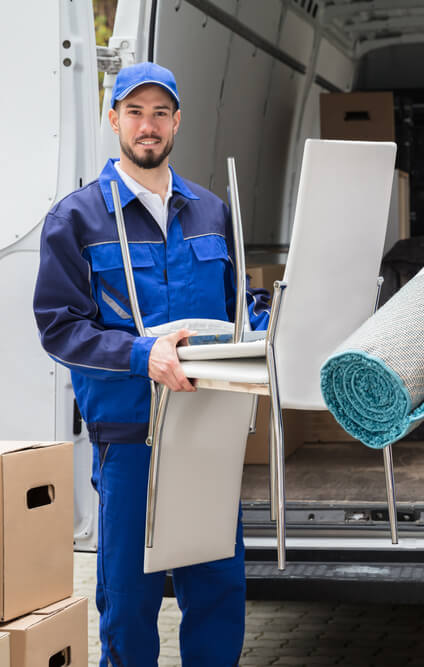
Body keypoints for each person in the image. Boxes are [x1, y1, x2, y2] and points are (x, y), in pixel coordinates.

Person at [33, 62, 269, 666]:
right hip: (131, 443)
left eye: (160, 113)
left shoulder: (212, 212)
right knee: (130, 606)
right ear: (114, 119)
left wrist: (276, 331)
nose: (148, 125)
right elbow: (59, 327)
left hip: (208, 433)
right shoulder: (78, 219)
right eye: (135, 112)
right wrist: (142, 355)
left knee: (219, 593)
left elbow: (239, 307)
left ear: (177, 122)